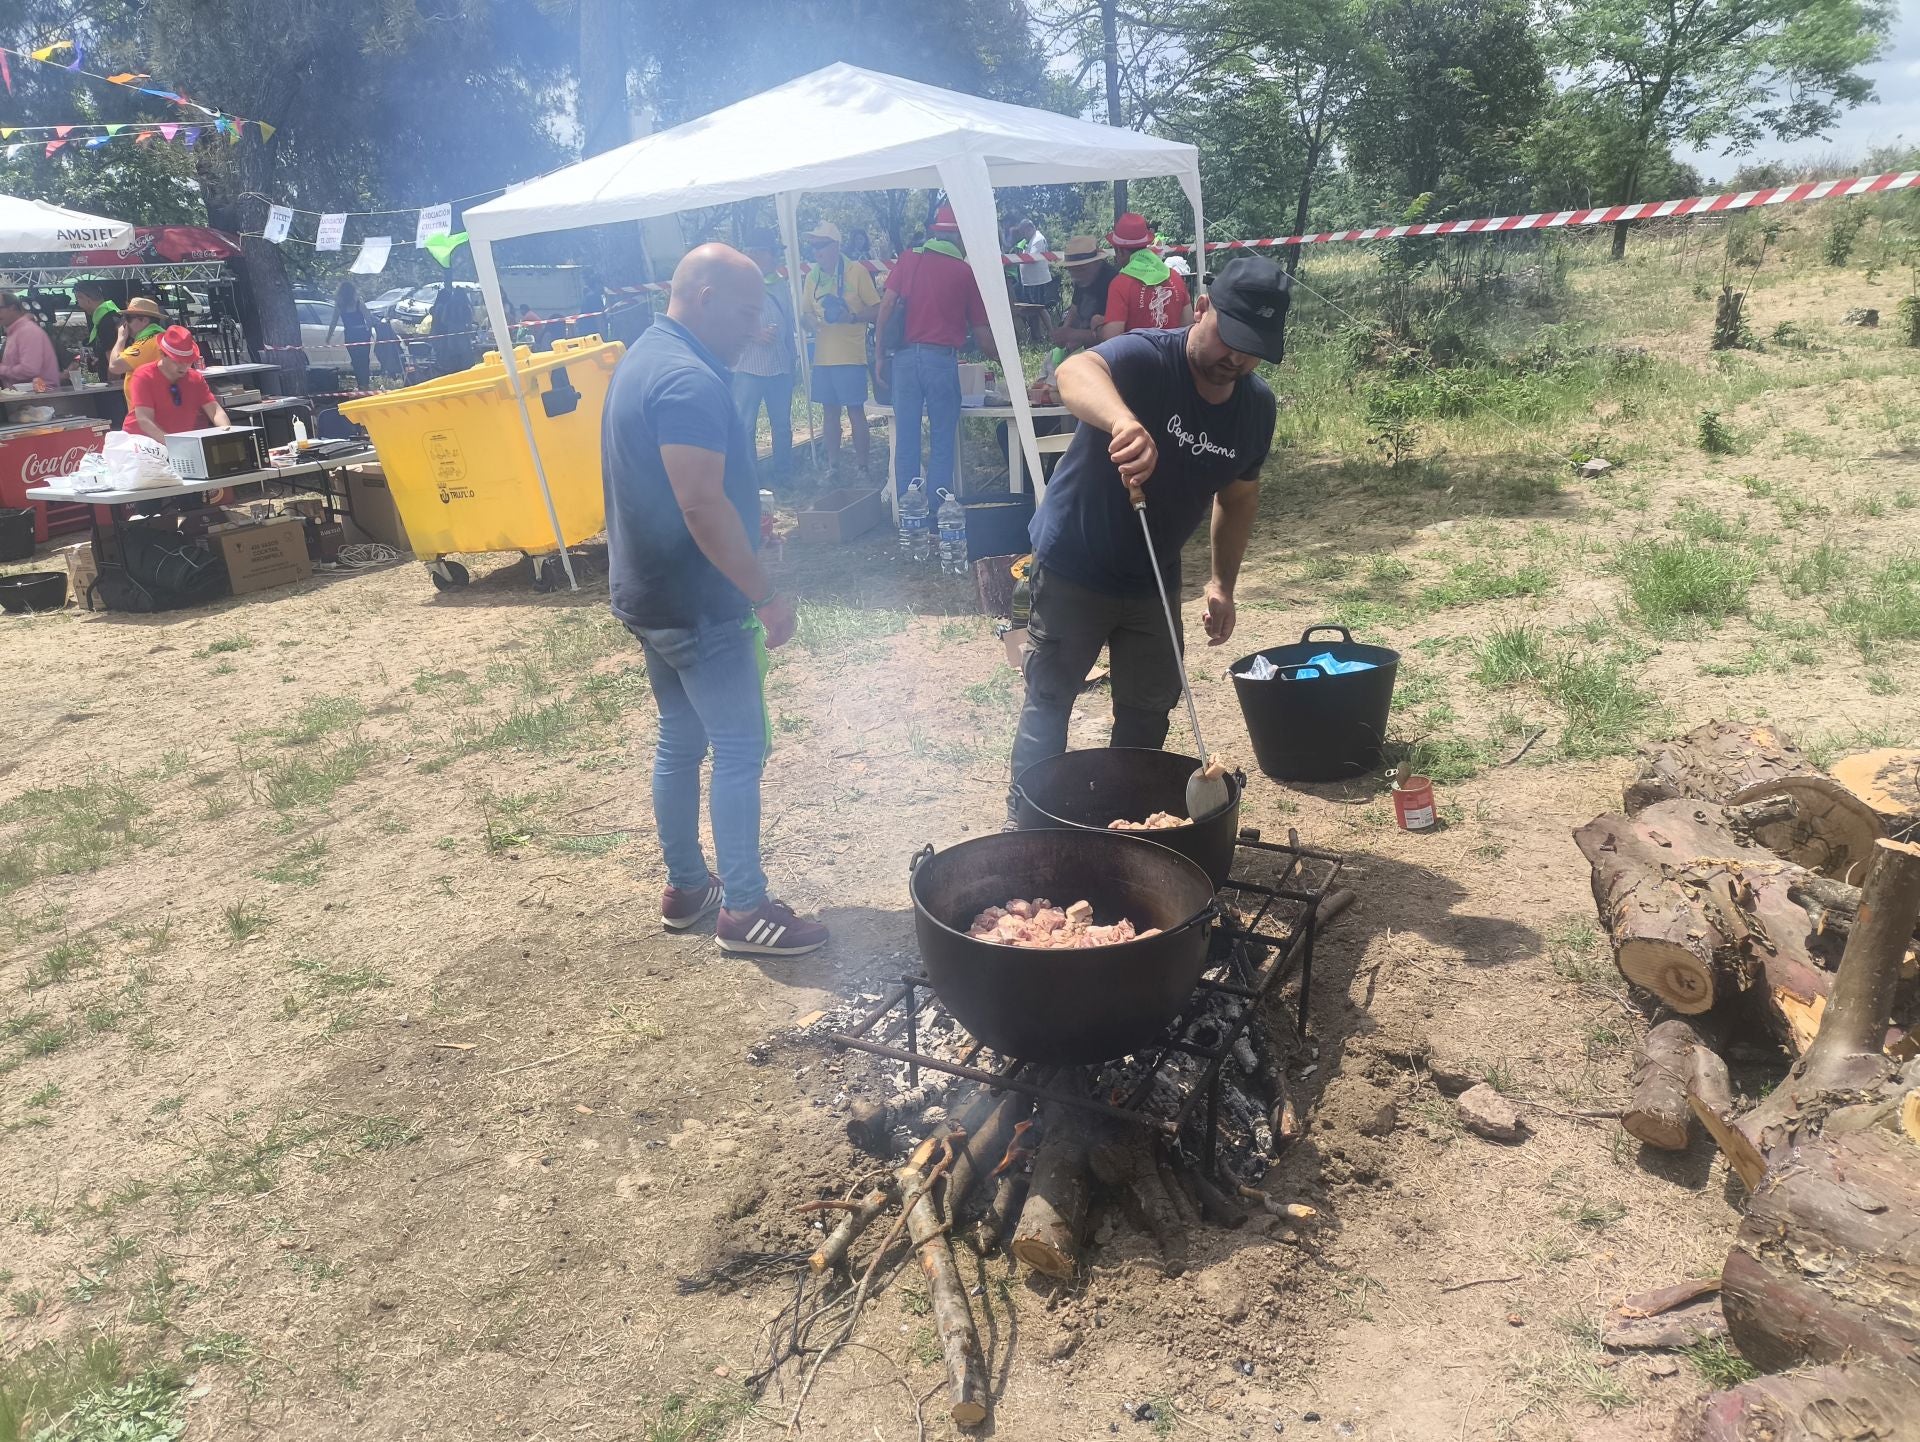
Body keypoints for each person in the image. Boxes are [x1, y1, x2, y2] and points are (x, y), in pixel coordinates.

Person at [602, 242, 828, 959]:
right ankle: (746, 908)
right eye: (745, 311)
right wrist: (762, 593)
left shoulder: (644, 354)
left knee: (681, 738)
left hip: (650, 593)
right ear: (701, 296)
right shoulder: (688, 379)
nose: (756, 328)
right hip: (699, 604)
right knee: (738, 745)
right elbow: (701, 506)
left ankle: (686, 887)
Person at [1006, 257, 1291, 823]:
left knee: (1148, 709)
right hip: (1075, 563)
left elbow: (1237, 499)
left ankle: (1122, 823)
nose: (1234, 358)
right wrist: (1122, 422)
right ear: (1202, 308)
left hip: (1153, 577)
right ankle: (1028, 826)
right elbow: (1075, 372)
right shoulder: (1145, 356)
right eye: (1228, 338)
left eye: (1251, 348)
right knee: (1051, 699)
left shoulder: (1255, 408)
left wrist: (1220, 583)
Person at [874, 205, 1001, 498]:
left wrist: (880, 354)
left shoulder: (909, 259)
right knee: (943, 441)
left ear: (935, 232)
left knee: (906, 442)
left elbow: (886, 306)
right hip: (940, 361)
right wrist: (1007, 360)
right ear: (959, 238)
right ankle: (937, 511)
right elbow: (982, 335)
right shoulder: (965, 273)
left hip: (904, 360)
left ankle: (909, 514)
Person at [800, 221, 879, 476]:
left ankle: (862, 467)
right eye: (813, 246)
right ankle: (833, 466)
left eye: (821, 245)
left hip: (850, 356)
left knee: (856, 412)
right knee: (829, 413)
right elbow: (804, 314)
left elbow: (878, 310)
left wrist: (852, 317)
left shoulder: (856, 271)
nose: (816, 251)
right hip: (823, 358)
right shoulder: (812, 277)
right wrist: (809, 321)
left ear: (836, 246)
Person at [733, 229, 798, 484]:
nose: (777, 259)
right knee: (746, 426)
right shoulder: (736, 285)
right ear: (757, 254)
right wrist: (754, 334)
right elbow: (726, 321)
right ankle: (751, 482)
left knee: (782, 426)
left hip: (780, 366)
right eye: (773, 253)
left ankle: (784, 474)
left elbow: (789, 321)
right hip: (748, 367)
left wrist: (792, 358)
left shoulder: (779, 283)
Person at [124, 325, 231, 442]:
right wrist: (174, 445)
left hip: (178, 443)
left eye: (188, 361)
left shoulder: (195, 378)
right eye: (178, 361)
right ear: (162, 354)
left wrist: (228, 433)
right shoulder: (144, 375)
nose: (184, 367)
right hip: (142, 446)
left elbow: (215, 411)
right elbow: (145, 420)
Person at [1098, 213, 1192, 340]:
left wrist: (1097, 328)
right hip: (1173, 358)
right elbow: (1188, 327)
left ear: (1119, 251)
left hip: (1138, 359)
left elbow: (1111, 338)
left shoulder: (1120, 284)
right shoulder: (1174, 277)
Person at [1008, 217, 1059, 346]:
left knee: (1040, 308)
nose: (1023, 235)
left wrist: (1014, 260)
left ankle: (1052, 333)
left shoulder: (1038, 239)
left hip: (1037, 281)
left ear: (1029, 229)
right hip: (1030, 281)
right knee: (1034, 309)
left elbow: (1031, 259)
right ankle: (1039, 336)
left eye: (1024, 232)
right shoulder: (1030, 240)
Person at [110, 296, 169, 398]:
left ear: (145, 320)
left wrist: (121, 339)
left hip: (148, 409)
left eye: (128, 318)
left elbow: (115, 366)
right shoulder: (161, 338)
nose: (125, 323)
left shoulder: (146, 343)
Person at [0, 291, 61, 387]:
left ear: (13, 308)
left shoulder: (27, 331)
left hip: (39, 397)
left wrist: (2, 370)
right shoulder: (15, 332)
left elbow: (29, 369)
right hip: (28, 396)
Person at [327, 280, 375, 391]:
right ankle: (365, 384)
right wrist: (369, 331)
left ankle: (360, 384)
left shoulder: (340, 305)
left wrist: (328, 337)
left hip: (350, 335)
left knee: (356, 360)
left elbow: (333, 322)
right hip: (362, 334)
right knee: (364, 360)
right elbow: (369, 319)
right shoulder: (359, 303)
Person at [72, 281, 122, 379]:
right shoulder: (111, 314)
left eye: (78, 299)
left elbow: (113, 360)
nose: (78, 304)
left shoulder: (106, 322)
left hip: (114, 386)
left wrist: (111, 387)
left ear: (85, 299)